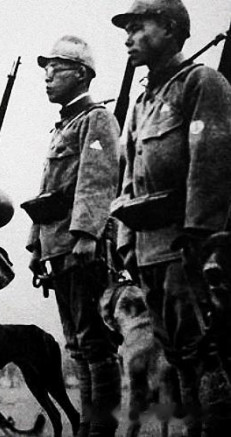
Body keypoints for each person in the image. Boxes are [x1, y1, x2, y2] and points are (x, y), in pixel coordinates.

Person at [111, 1, 231, 434]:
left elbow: (210, 164)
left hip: (186, 247)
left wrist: (202, 242)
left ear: (170, 29)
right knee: (176, 356)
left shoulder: (201, 83)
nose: (128, 39)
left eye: (137, 28)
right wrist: (126, 242)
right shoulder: (143, 101)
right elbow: (128, 178)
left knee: (205, 353)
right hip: (149, 251)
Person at [25, 35, 121, 437]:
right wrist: (36, 245)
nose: (47, 76)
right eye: (45, 69)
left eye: (56, 68)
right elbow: (47, 191)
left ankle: (101, 428)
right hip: (58, 247)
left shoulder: (96, 120)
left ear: (81, 74)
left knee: (95, 340)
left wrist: (86, 235)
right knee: (76, 343)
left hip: (82, 246)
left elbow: (97, 181)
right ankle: (86, 425)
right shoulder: (63, 126)